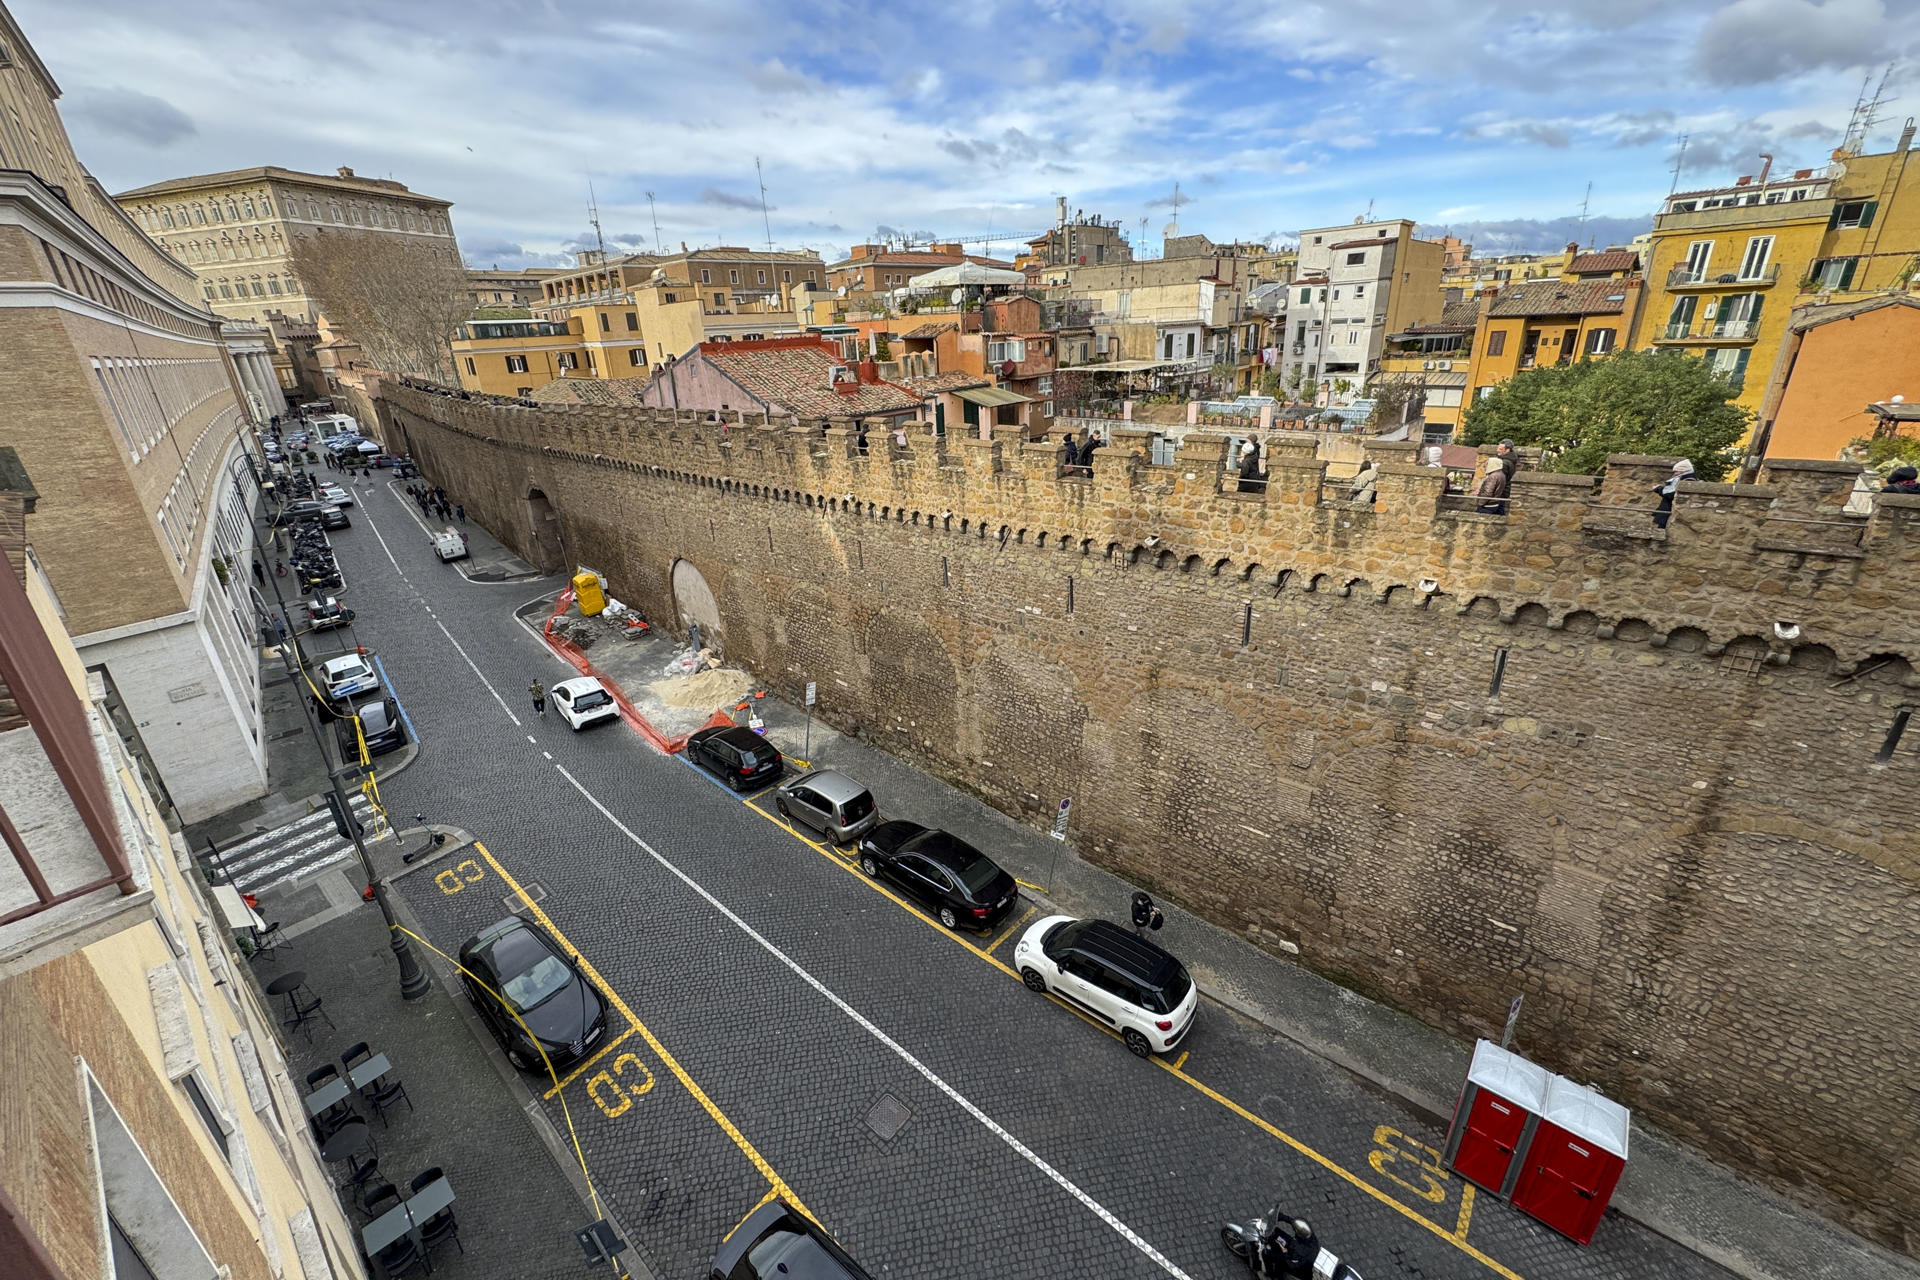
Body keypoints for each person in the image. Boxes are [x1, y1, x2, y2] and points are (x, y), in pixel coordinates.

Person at [1653, 458, 1694, 528]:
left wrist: (1658, 489)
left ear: (1683, 471)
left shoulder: (1687, 480)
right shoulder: (1684, 478)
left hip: (1670, 508)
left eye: (1676, 471)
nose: (1675, 474)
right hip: (1668, 507)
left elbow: (1670, 494)